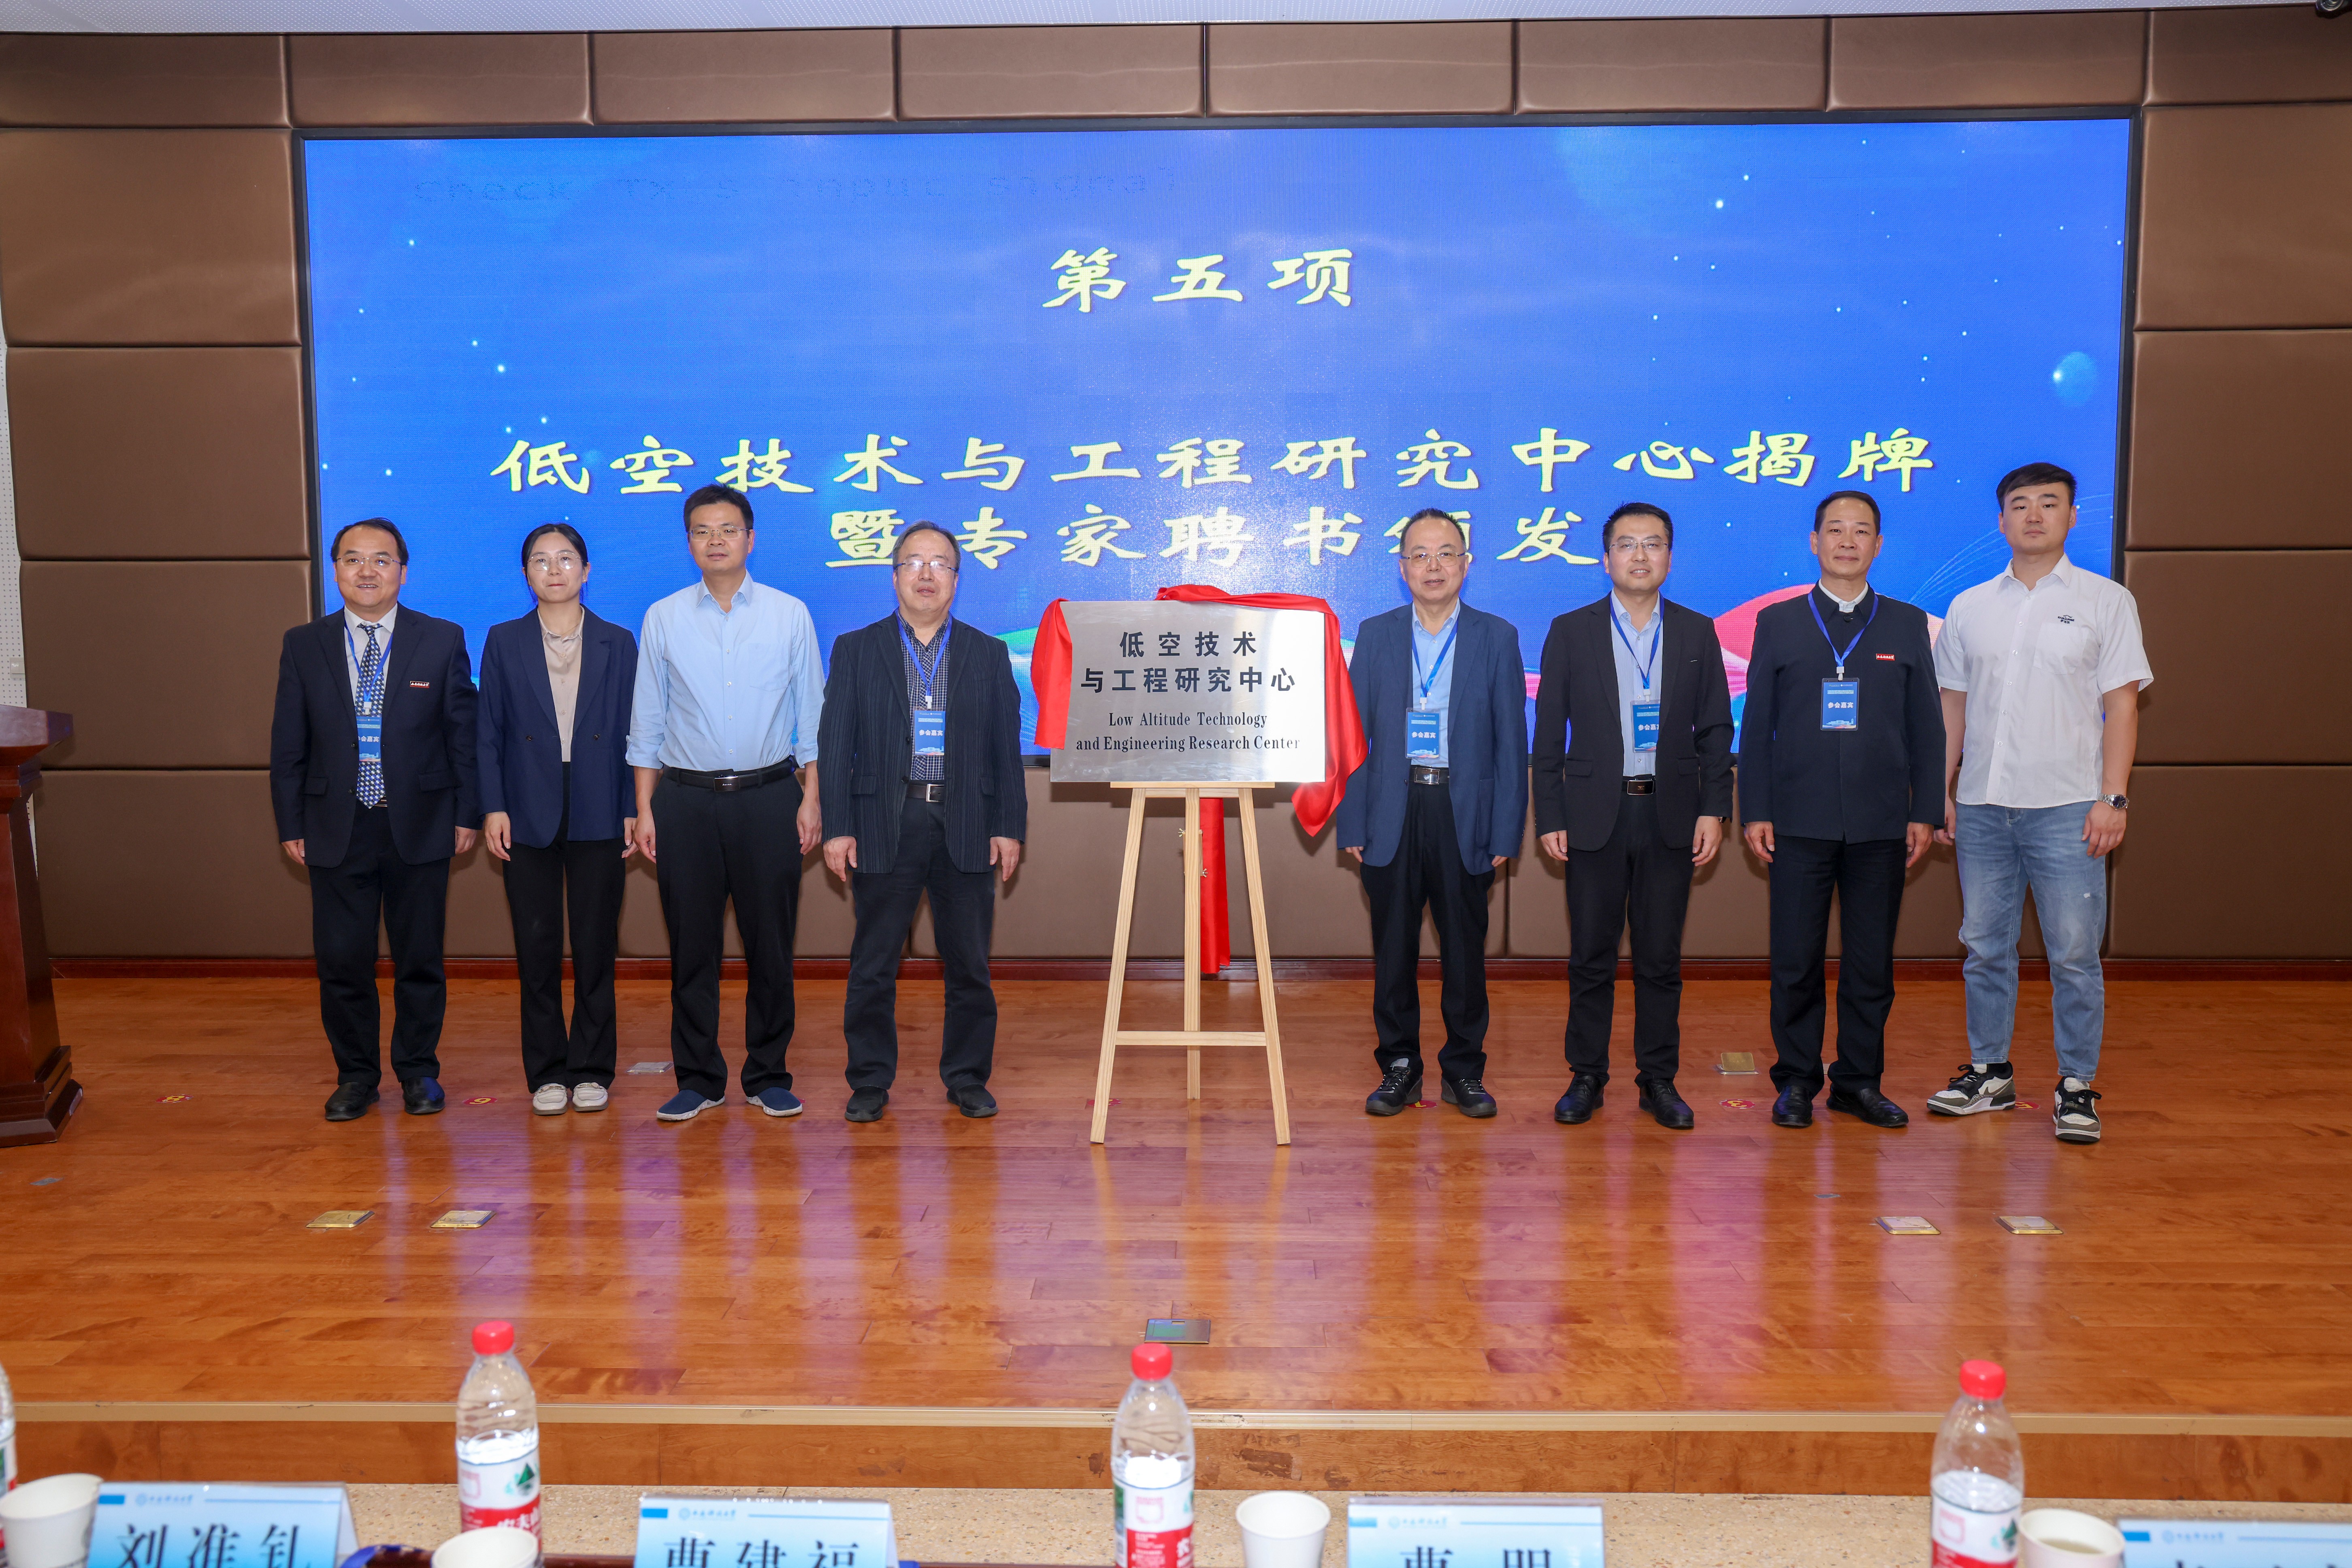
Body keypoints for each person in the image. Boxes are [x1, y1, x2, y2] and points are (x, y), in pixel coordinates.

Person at [1928, 462, 2151, 1144]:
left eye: (2049, 503)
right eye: (2020, 504)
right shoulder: (1970, 606)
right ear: (2001, 521)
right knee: (1984, 948)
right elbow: (1953, 706)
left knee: (2075, 955)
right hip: (1983, 805)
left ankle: (2077, 1085)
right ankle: (1990, 1073)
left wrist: (2113, 798)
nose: (2033, 515)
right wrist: (1941, 790)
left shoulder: (2106, 600)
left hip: (2069, 808)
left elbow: (2122, 706)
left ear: (2072, 517)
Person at [1736, 491, 1945, 1131]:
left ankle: (1858, 1082)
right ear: (1814, 541)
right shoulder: (1778, 621)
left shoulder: (1907, 622)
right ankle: (1797, 1082)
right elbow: (1758, 725)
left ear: (1878, 545)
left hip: (1882, 824)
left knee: (1870, 963)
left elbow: (1927, 727)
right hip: (1797, 821)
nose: (1847, 542)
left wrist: (1925, 811)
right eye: (1835, 530)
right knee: (1795, 961)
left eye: (1861, 531)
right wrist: (1755, 810)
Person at [626, 483, 825, 1124]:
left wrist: (812, 799)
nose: (716, 540)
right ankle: (699, 1079)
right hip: (685, 802)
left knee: (772, 947)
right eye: (703, 531)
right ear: (689, 542)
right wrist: (645, 808)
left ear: (751, 538)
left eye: (728, 529)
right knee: (693, 949)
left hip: (770, 798)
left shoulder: (789, 614)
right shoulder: (663, 617)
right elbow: (647, 721)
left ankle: (769, 1075)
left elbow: (812, 717)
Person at [270, 518, 479, 1122]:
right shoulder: (303, 643)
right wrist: (291, 823)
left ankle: (418, 1072)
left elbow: (462, 737)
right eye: (354, 559)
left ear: (403, 572)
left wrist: (467, 812)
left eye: (382, 560)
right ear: (336, 570)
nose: (368, 571)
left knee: (420, 958)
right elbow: (288, 743)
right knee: (343, 962)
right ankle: (356, 1077)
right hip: (335, 823)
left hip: (422, 820)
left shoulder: (441, 638)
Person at [818, 522, 1027, 1124]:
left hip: (967, 820)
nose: (927, 574)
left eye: (941, 564)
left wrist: (1009, 825)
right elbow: (835, 743)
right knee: (874, 963)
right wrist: (838, 826)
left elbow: (1005, 748)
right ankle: (869, 1081)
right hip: (885, 819)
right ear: (895, 576)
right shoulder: (857, 649)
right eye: (914, 562)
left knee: (969, 965)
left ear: (957, 580)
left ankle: (967, 1078)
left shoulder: (988, 653)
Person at [1532, 502, 1733, 1130]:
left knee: (1660, 959)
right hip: (1596, 813)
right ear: (1606, 558)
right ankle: (1586, 1076)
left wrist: (1715, 809)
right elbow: (1548, 734)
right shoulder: (1572, 630)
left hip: (1670, 814)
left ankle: (1658, 1079)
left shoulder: (1698, 632)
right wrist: (1549, 814)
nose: (1640, 555)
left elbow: (1716, 731)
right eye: (1627, 544)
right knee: (1591, 956)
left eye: (1653, 543)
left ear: (1670, 556)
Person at [1335, 508, 1529, 1119]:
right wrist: (1353, 821)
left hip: (1463, 812)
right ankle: (1399, 1067)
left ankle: (1464, 1071)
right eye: (1420, 555)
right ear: (1402, 568)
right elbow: (1353, 737)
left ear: (1467, 565)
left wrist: (1506, 828)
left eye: (1446, 554)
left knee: (1464, 953)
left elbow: (1511, 742)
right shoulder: (1376, 634)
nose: (1434, 566)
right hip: (1391, 810)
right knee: (1393, 951)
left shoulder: (1496, 636)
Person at [477, 524, 640, 1116]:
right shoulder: (503, 640)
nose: (554, 570)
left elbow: (637, 731)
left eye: (566, 559)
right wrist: (493, 805)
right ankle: (547, 1072)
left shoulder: (618, 641)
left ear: (586, 570)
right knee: (536, 946)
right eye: (541, 561)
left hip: (600, 802)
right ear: (526, 574)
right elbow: (488, 732)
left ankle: (592, 1067)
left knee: (596, 945)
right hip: (526, 806)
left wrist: (633, 806)